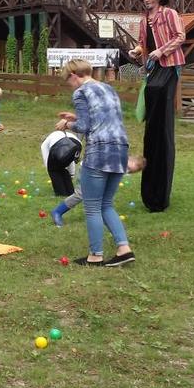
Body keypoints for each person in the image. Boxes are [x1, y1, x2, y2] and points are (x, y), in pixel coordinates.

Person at [56, 58, 134, 266]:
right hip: (120, 149)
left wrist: (67, 123)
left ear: (74, 75)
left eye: (68, 80)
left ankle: (95, 255)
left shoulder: (81, 92)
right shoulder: (108, 89)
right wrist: (76, 117)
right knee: (106, 204)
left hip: (100, 150)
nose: (69, 85)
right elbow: (103, 118)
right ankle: (124, 249)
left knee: (92, 207)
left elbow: (83, 126)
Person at [129, 0, 185, 212]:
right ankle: (150, 192)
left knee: (162, 124)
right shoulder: (144, 21)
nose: (147, 0)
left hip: (169, 65)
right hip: (153, 70)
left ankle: (161, 194)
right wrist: (137, 51)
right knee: (152, 125)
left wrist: (161, 51)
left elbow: (180, 36)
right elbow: (143, 44)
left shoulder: (169, 13)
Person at [51, 155, 146, 227]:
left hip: (99, 177)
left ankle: (108, 220)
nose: (127, 171)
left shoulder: (122, 167)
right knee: (80, 194)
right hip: (87, 169)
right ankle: (57, 211)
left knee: (103, 199)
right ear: (130, 159)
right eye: (129, 168)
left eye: (130, 171)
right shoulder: (117, 157)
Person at [41, 128, 83, 197]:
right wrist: (72, 174)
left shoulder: (45, 143)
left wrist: (49, 169)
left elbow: (47, 160)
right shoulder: (55, 135)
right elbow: (70, 159)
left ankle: (61, 194)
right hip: (77, 145)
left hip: (60, 145)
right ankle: (70, 192)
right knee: (61, 168)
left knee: (53, 170)